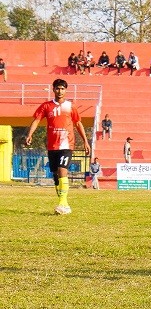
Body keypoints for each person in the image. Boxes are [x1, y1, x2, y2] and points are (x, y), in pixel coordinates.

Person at [23, 78, 92, 215]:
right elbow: (36, 120)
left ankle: (63, 203)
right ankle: (63, 203)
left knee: (62, 170)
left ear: (66, 90)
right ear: (53, 89)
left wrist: (85, 141)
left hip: (67, 144)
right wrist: (29, 134)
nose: (60, 91)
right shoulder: (46, 106)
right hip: (52, 146)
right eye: (57, 88)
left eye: (62, 88)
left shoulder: (70, 106)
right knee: (55, 175)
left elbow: (78, 124)